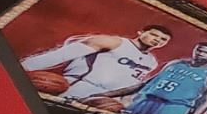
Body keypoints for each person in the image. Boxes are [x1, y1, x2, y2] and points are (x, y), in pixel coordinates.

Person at [22, 24, 171, 103]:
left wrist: (125, 103)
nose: (157, 40)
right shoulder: (112, 42)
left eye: (163, 39)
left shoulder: (151, 61)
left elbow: (131, 86)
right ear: (141, 32)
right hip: (80, 87)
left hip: (105, 99)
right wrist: (20, 69)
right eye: (154, 34)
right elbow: (60, 56)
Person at [124, 43, 207, 114]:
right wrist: (116, 94)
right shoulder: (176, 63)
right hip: (146, 101)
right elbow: (147, 83)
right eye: (199, 50)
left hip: (174, 107)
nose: (201, 54)